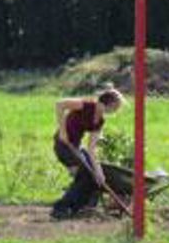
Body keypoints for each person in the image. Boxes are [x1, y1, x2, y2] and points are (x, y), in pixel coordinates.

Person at [51, 87, 125, 219]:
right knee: (85, 174)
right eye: (116, 106)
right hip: (63, 144)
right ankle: (60, 208)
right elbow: (59, 105)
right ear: (109, 103)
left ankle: (79, 208)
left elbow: (92, 148)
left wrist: (99, 173)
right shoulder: (85, 105)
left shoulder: (100, 121)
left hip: (76, 147)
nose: (116, 110)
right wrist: (62, 131)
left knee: (94, 177)